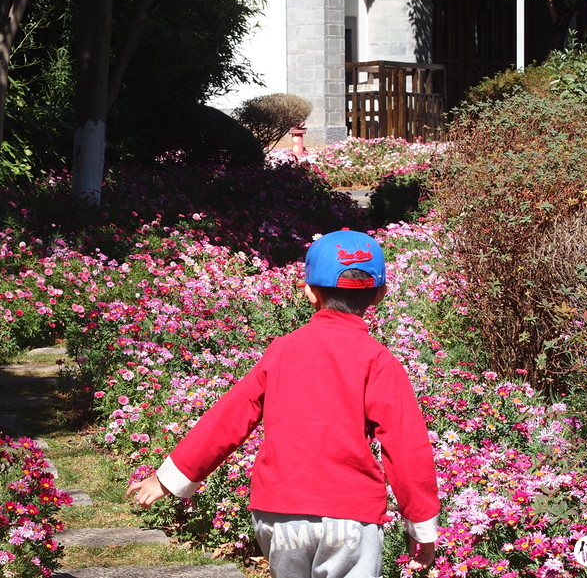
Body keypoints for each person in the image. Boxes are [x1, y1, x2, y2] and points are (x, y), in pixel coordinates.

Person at [126, 229, 439, 577]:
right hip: (350, 515)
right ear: (380, 294)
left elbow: (229, 417)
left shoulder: (282, 352)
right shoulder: (378, 360)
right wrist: (421, 525)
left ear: (308, 292)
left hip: (278, 513)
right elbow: (407, 446)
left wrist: (168, 479)